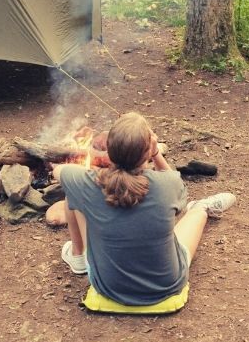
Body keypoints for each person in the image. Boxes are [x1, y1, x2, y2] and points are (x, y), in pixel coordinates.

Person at [52, 112, 235, 306]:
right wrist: (157, 154)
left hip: (108, 287)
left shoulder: (85, 182)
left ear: (108, 151)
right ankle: (202, 207)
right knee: (194, 214)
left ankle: (78, 257)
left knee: (72, 192)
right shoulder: (169, 183)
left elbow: (58, 171)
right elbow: (173, 181)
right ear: (148, 151)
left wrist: (96, 174)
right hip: (166, 285)